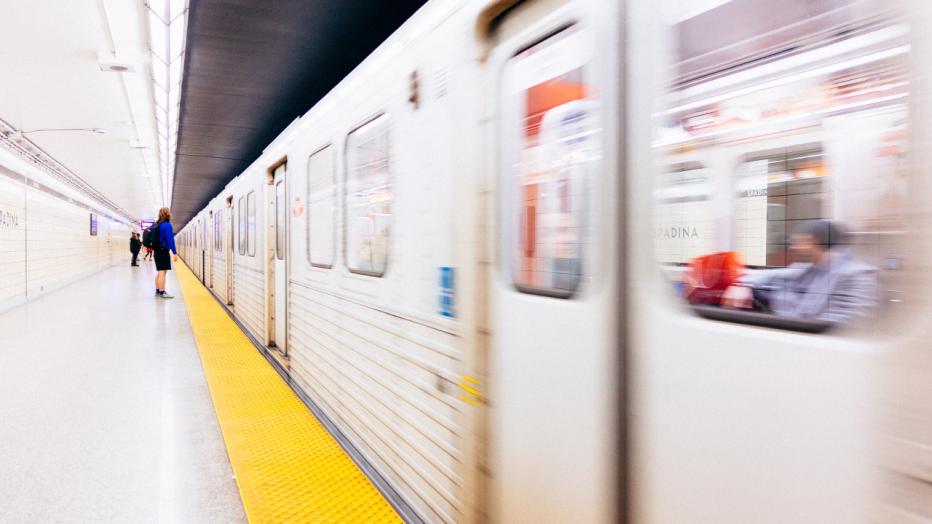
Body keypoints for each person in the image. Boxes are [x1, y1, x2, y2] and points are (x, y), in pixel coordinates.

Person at [721, 219, 878, 324]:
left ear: (811, 241)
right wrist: (741, 284)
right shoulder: (805, 269)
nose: (793, 248)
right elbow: (767, 276)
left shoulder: (859, 276)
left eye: (797, 242)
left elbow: (847, 324)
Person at [153, 207, 178, 299]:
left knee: (160, 271)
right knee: (163, 271)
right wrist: (174, 253)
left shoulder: (158, 224)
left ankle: (158, 290)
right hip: (163, 250)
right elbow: (170, 240)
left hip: (157, 250)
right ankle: (162, 292)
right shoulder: (167, 225)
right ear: (168, 214)